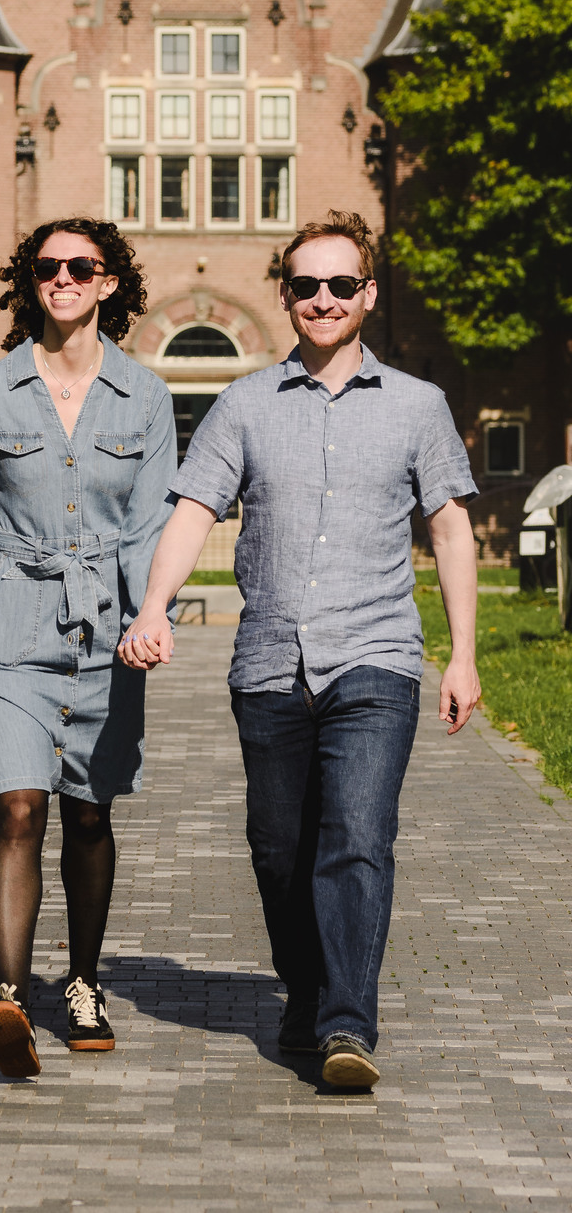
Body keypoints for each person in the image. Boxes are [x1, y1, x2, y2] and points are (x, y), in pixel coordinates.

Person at [119, 209, 479, 1091]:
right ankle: (307, 992)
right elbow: (193, 512)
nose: (324, 300)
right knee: (279, 850)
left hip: (377, 656)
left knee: (356, 837)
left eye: (341, 285)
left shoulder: (418, 407)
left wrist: (463, 655)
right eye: (307, 286)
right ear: (286, 295)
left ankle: (348, 1027)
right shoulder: (243, 405)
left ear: (368, 295)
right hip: (271, 663)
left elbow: (451, 526)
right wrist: (154, 608)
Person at [0, 217, 176, 1078]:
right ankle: (9, 998)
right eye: (47, 267)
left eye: (82, 267)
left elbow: (150, 527)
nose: (63, 278)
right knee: (18, 808)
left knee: (90, 812)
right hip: (7, 630)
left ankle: (83, 982)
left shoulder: (145, 398)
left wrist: (153, 614)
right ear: (30, 282)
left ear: (109, 283)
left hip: (107, 633)